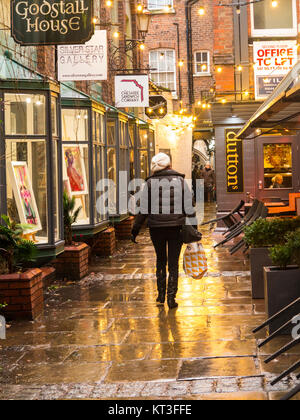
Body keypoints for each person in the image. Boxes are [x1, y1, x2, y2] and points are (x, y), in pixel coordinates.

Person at [131, 153, 196, 310]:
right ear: (169, 164)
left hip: (156, 228)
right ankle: (171, 298)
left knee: (161, 260)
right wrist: (194, 230)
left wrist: (135, 229)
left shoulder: (150, 183)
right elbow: (190, 207)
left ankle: (160, 294)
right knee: (173, 264)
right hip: (176, 228)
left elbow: (143, 209)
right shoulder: (180, 181)